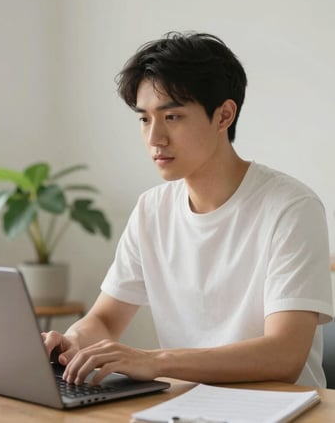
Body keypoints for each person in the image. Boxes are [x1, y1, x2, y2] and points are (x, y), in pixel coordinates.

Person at [43, 31, 333, 388]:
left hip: (278, 410)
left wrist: (153, 361)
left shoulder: (291, 208)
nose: (155, 139)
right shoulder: (152, 210)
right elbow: (104, 319)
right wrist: (72, 343)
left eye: (173, 117)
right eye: (145, 119)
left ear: (224, 115)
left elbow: (284, 355)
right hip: (185, 408)